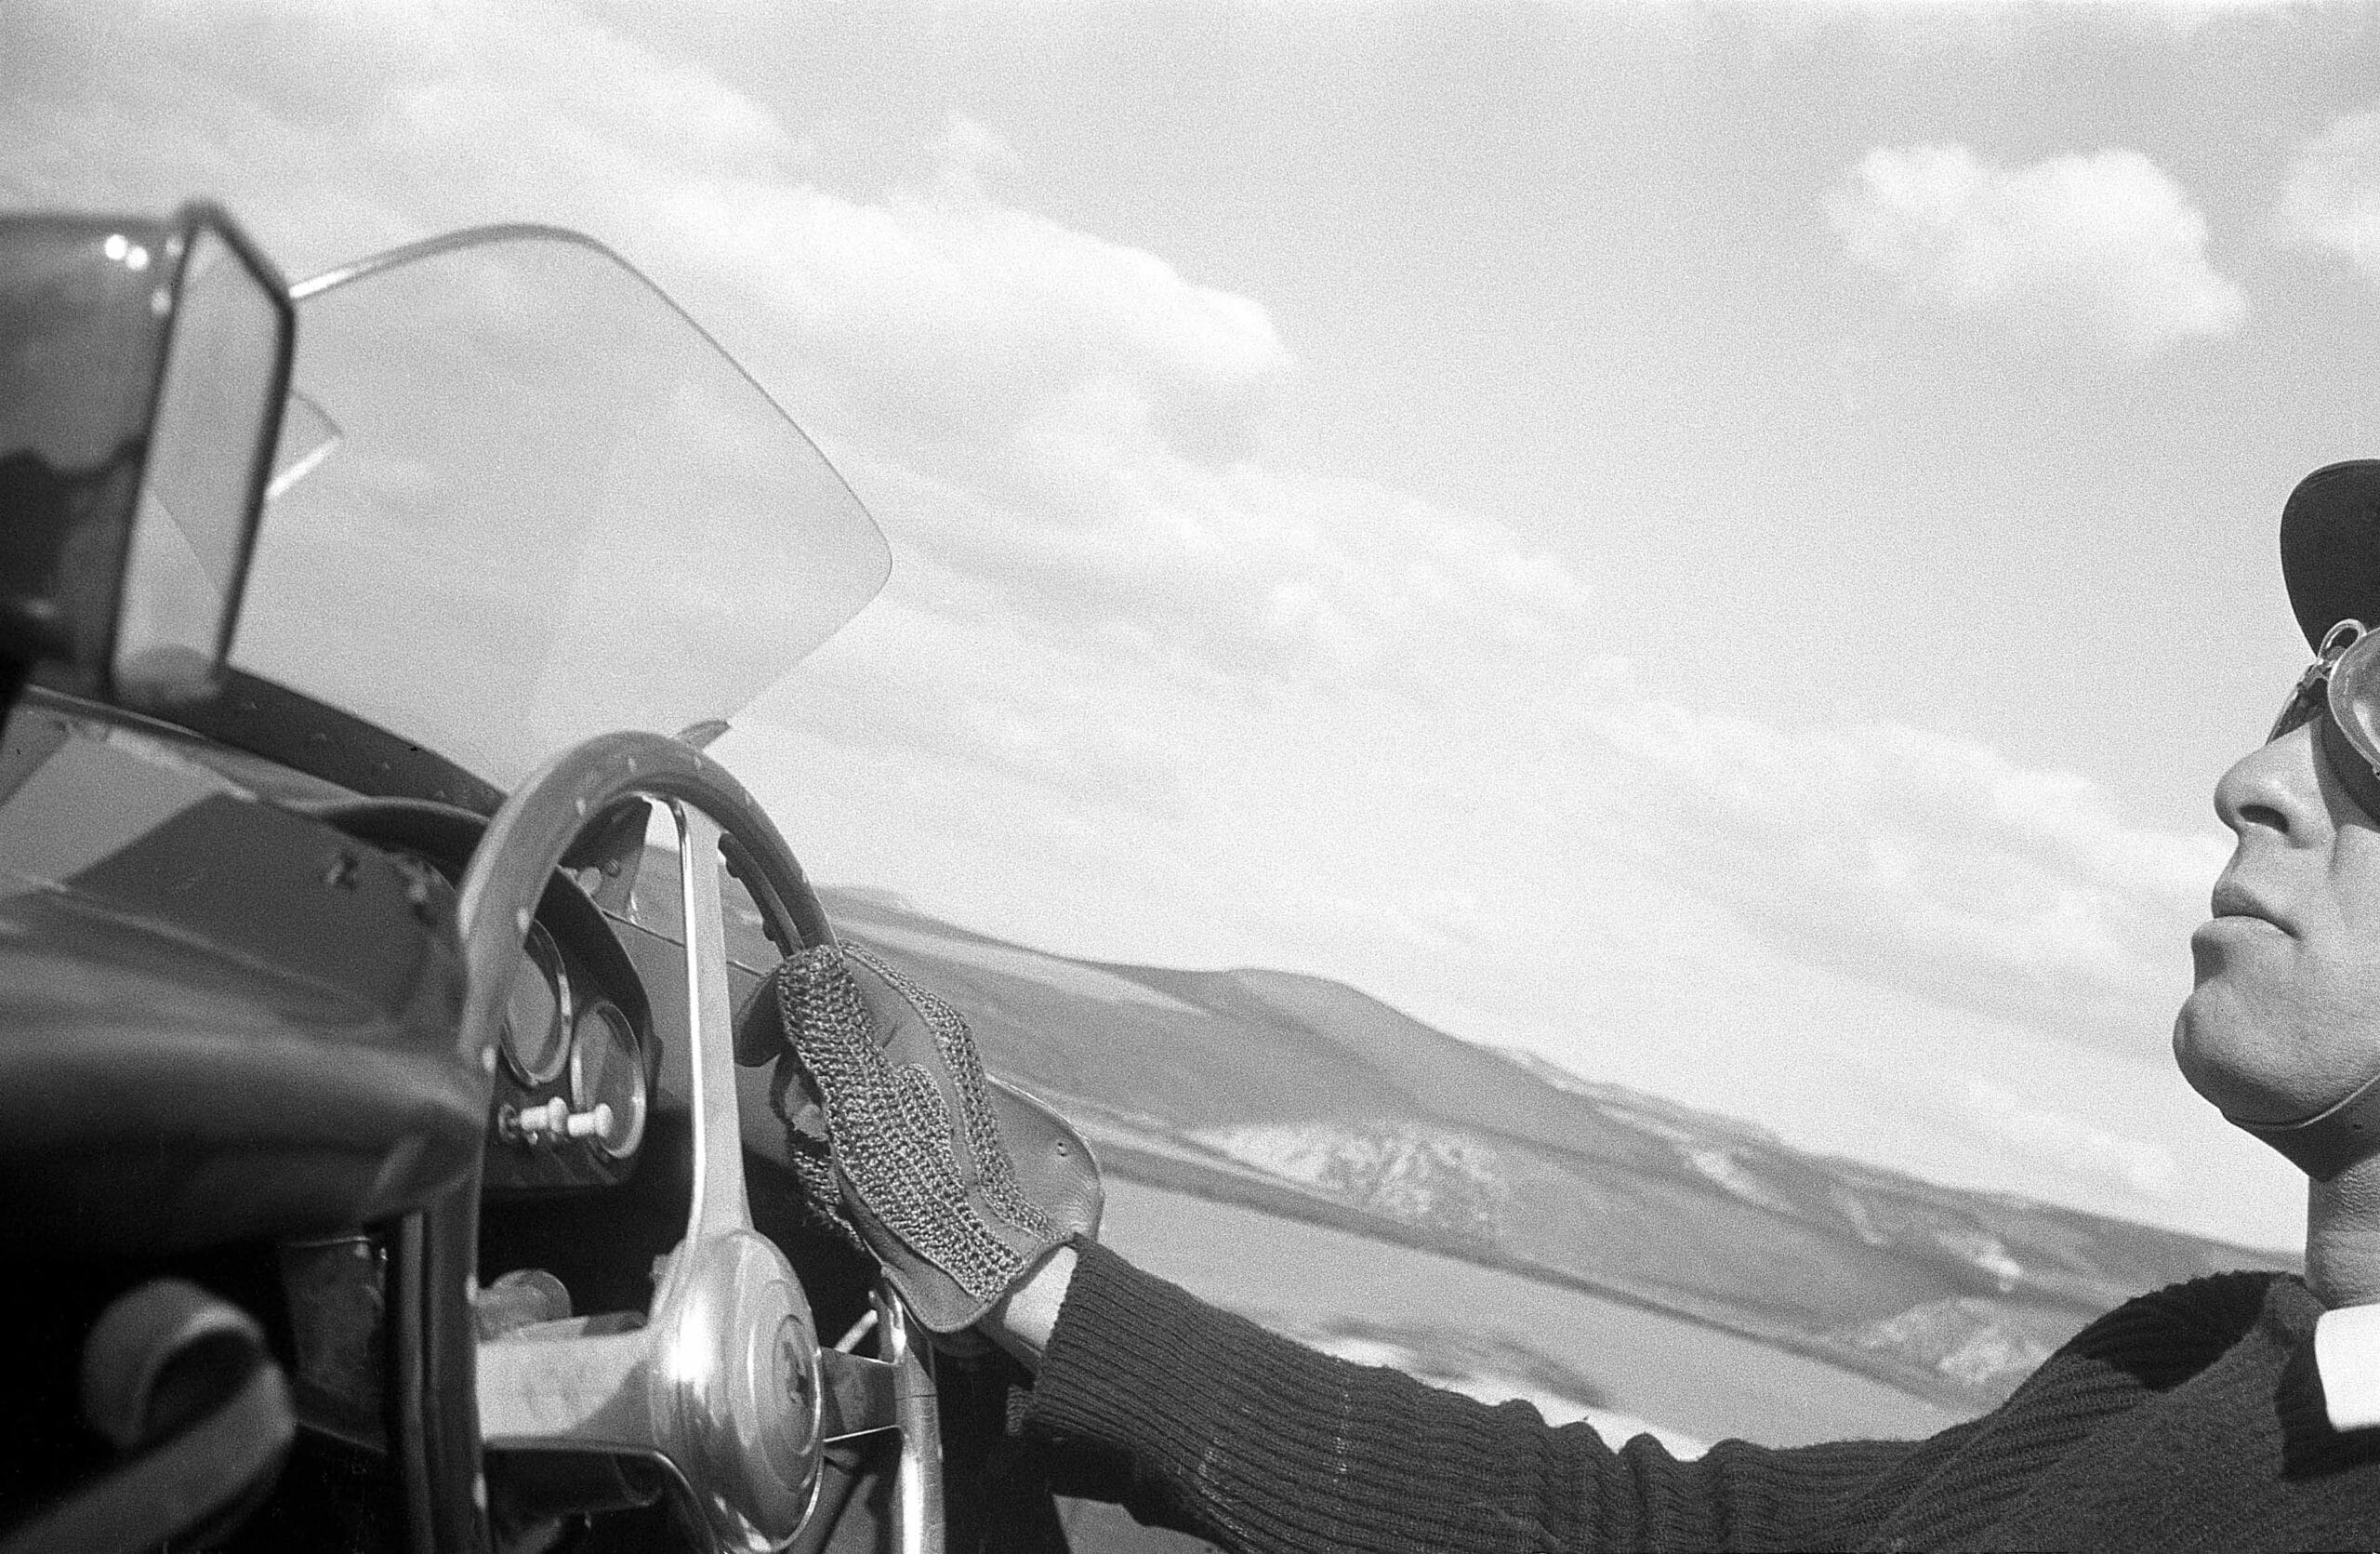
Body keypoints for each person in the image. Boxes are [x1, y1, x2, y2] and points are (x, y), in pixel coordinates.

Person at [755, 459, 2380, 1552]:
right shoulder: (2188, 1367)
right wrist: (1018, 1278)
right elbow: (1642, 1534)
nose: (2254, 780)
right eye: (2302, 698)